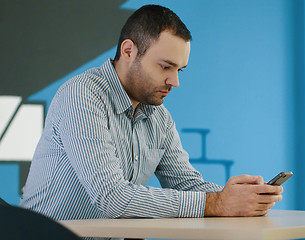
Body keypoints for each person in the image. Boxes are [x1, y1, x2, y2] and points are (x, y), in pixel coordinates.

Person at [20, 4, 283, 222]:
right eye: (165, 67)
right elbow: (112, 198)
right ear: (128, 51)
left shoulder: (159, 118)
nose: (174, 81)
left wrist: (237, 197)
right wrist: (217, 203)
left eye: (179, 70)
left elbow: (187, 185)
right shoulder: (81, 95)